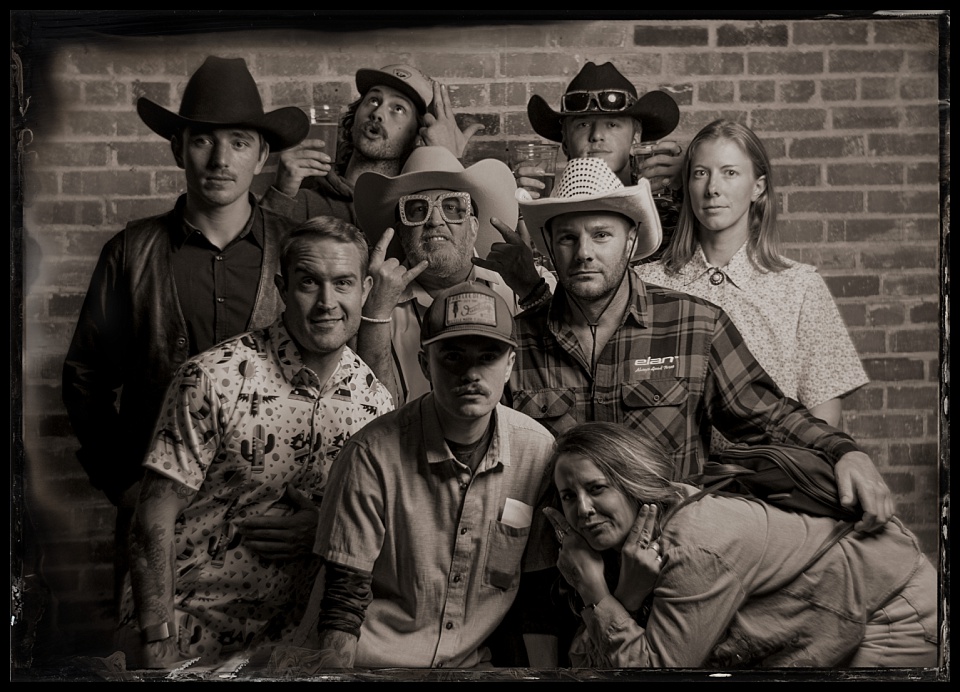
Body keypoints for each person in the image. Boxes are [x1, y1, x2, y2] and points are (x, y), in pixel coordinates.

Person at [511, 155, 893, 529]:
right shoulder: (516, 341)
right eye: (567, 238)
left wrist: (845, 451)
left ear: (630, 240)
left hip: (674, 559)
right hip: (558, 566)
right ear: (547, 242)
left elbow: (770, 418)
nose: (584, 253)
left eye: (601, 235)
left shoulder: (696, 324)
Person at [61, 55, 309, 612]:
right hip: (158, 523)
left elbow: (330, 383)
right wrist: (122, 483)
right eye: (202, 140)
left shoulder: (298, 249)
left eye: (240, 142)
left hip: (270, 523)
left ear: (263, 154)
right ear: (178, 148)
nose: (221, 159)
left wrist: (315, 505)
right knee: (155, 659)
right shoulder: (132, 253)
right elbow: (85, 377)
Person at [122, 218, 394, 668]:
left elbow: (372, 529)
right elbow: (152, 514)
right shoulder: (213, 378)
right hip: (189, 635)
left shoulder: (374, 401)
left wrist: (323, 529)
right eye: (310, 282)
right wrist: (157, 641)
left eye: (343, 283)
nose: (327, 302)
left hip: (291, 650)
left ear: (365, 290)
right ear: (283, 288)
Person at [284, 281, 556, 670]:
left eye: (488, 356)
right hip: (371, 664)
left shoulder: (538, 451)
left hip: (470, 667)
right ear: (426, 363)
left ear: (510, 364)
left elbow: (535, 597)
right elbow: (342, 601)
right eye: (453, 357)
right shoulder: (370, 455)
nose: (471, 373)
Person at [543, 421, 938, 668]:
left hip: (889, 609)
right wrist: (621, 599)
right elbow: (593, 662)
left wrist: (595, 593)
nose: (583, 509)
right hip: (831, 618)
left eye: (597, 489)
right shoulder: (630, 541)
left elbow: (656, 670)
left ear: (633, 482)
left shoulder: (694, 544)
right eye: (567, 496)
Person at [635, 119, 868, 450]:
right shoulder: (648, 284)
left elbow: (824, 406)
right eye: (701, 173)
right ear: (686, 185)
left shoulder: (799, 286)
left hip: (770, 483)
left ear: (758, 187)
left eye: (730, 173)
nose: (713, 188)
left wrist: (790, 474)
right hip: (677, 483)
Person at [350, 145, 556, 405]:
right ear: (401, 233)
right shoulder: (371, 304)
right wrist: (375, 316)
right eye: (417, 210)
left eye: (452, 207)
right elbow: (372, 410)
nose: (435, 220)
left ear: (473, 227)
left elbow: (563, 370)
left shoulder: (524, 284)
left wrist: (532, 291)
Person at [261, 64, 482, 225]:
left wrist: (451, 165)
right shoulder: (305, 201)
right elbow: (257, 263)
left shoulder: (414, 212)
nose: (377, 113)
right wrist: (281, 192)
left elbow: (460, 259)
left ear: (418, 134)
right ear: (355, 114)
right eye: (374, 100)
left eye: (398, 109)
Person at [519, 61, 684, 259]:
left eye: (612, 124)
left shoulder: (670, 208)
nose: (596, 135)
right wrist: (520, 209)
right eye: (583, 124)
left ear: (636, 137)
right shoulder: (546, 214)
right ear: (565, 141)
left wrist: (689, 183)